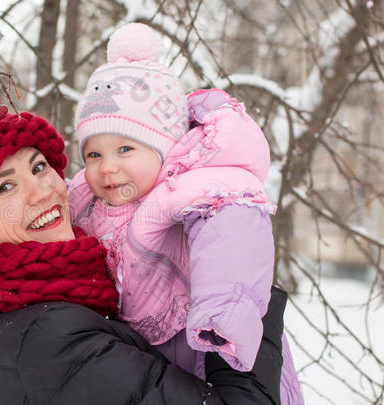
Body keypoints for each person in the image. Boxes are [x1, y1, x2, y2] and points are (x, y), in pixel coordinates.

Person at [0, 100, 287, 404]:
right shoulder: (50, 337)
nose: (44, 190)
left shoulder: (12, 318)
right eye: (5, 187)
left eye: (39, 167)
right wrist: (242, 283)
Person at [69, 23, 303, 404]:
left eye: (125, 150)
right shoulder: (87, 203)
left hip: (213, 348)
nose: (107, 167)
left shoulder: (201, 190)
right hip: (151, 365)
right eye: (94, 154)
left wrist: (223, 316)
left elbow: (235, 241)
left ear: (164, 149)